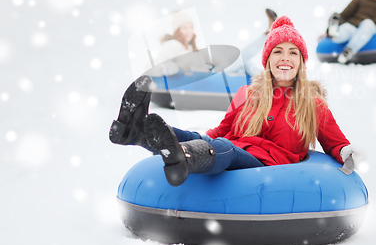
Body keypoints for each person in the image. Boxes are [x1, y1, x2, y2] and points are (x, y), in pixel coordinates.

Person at [110, 16, 360, 187]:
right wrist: (197, 139)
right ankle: (134, 131)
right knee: (206, 139)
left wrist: (346, 153)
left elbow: (335, 143)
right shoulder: (248, 94)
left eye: (293, 52)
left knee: (225, 149)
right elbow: (222, 130)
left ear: (301, 62)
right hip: (230, 146)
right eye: (278, 51)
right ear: (268, 59)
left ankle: (183, 158)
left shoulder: (312, 104)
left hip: (267, 164)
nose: (285, 58)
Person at [145, 9, 278, 78]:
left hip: (209, 72)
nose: (189, 31)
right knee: (239, 58)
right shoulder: (173, 45)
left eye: (190, 27)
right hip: (206, 78)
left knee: (244, 63)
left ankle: (270, 82)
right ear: (177, 31)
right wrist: (166, 69)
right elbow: (152, 65)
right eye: (184, 28)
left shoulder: (190, 47)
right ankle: (267, 34)